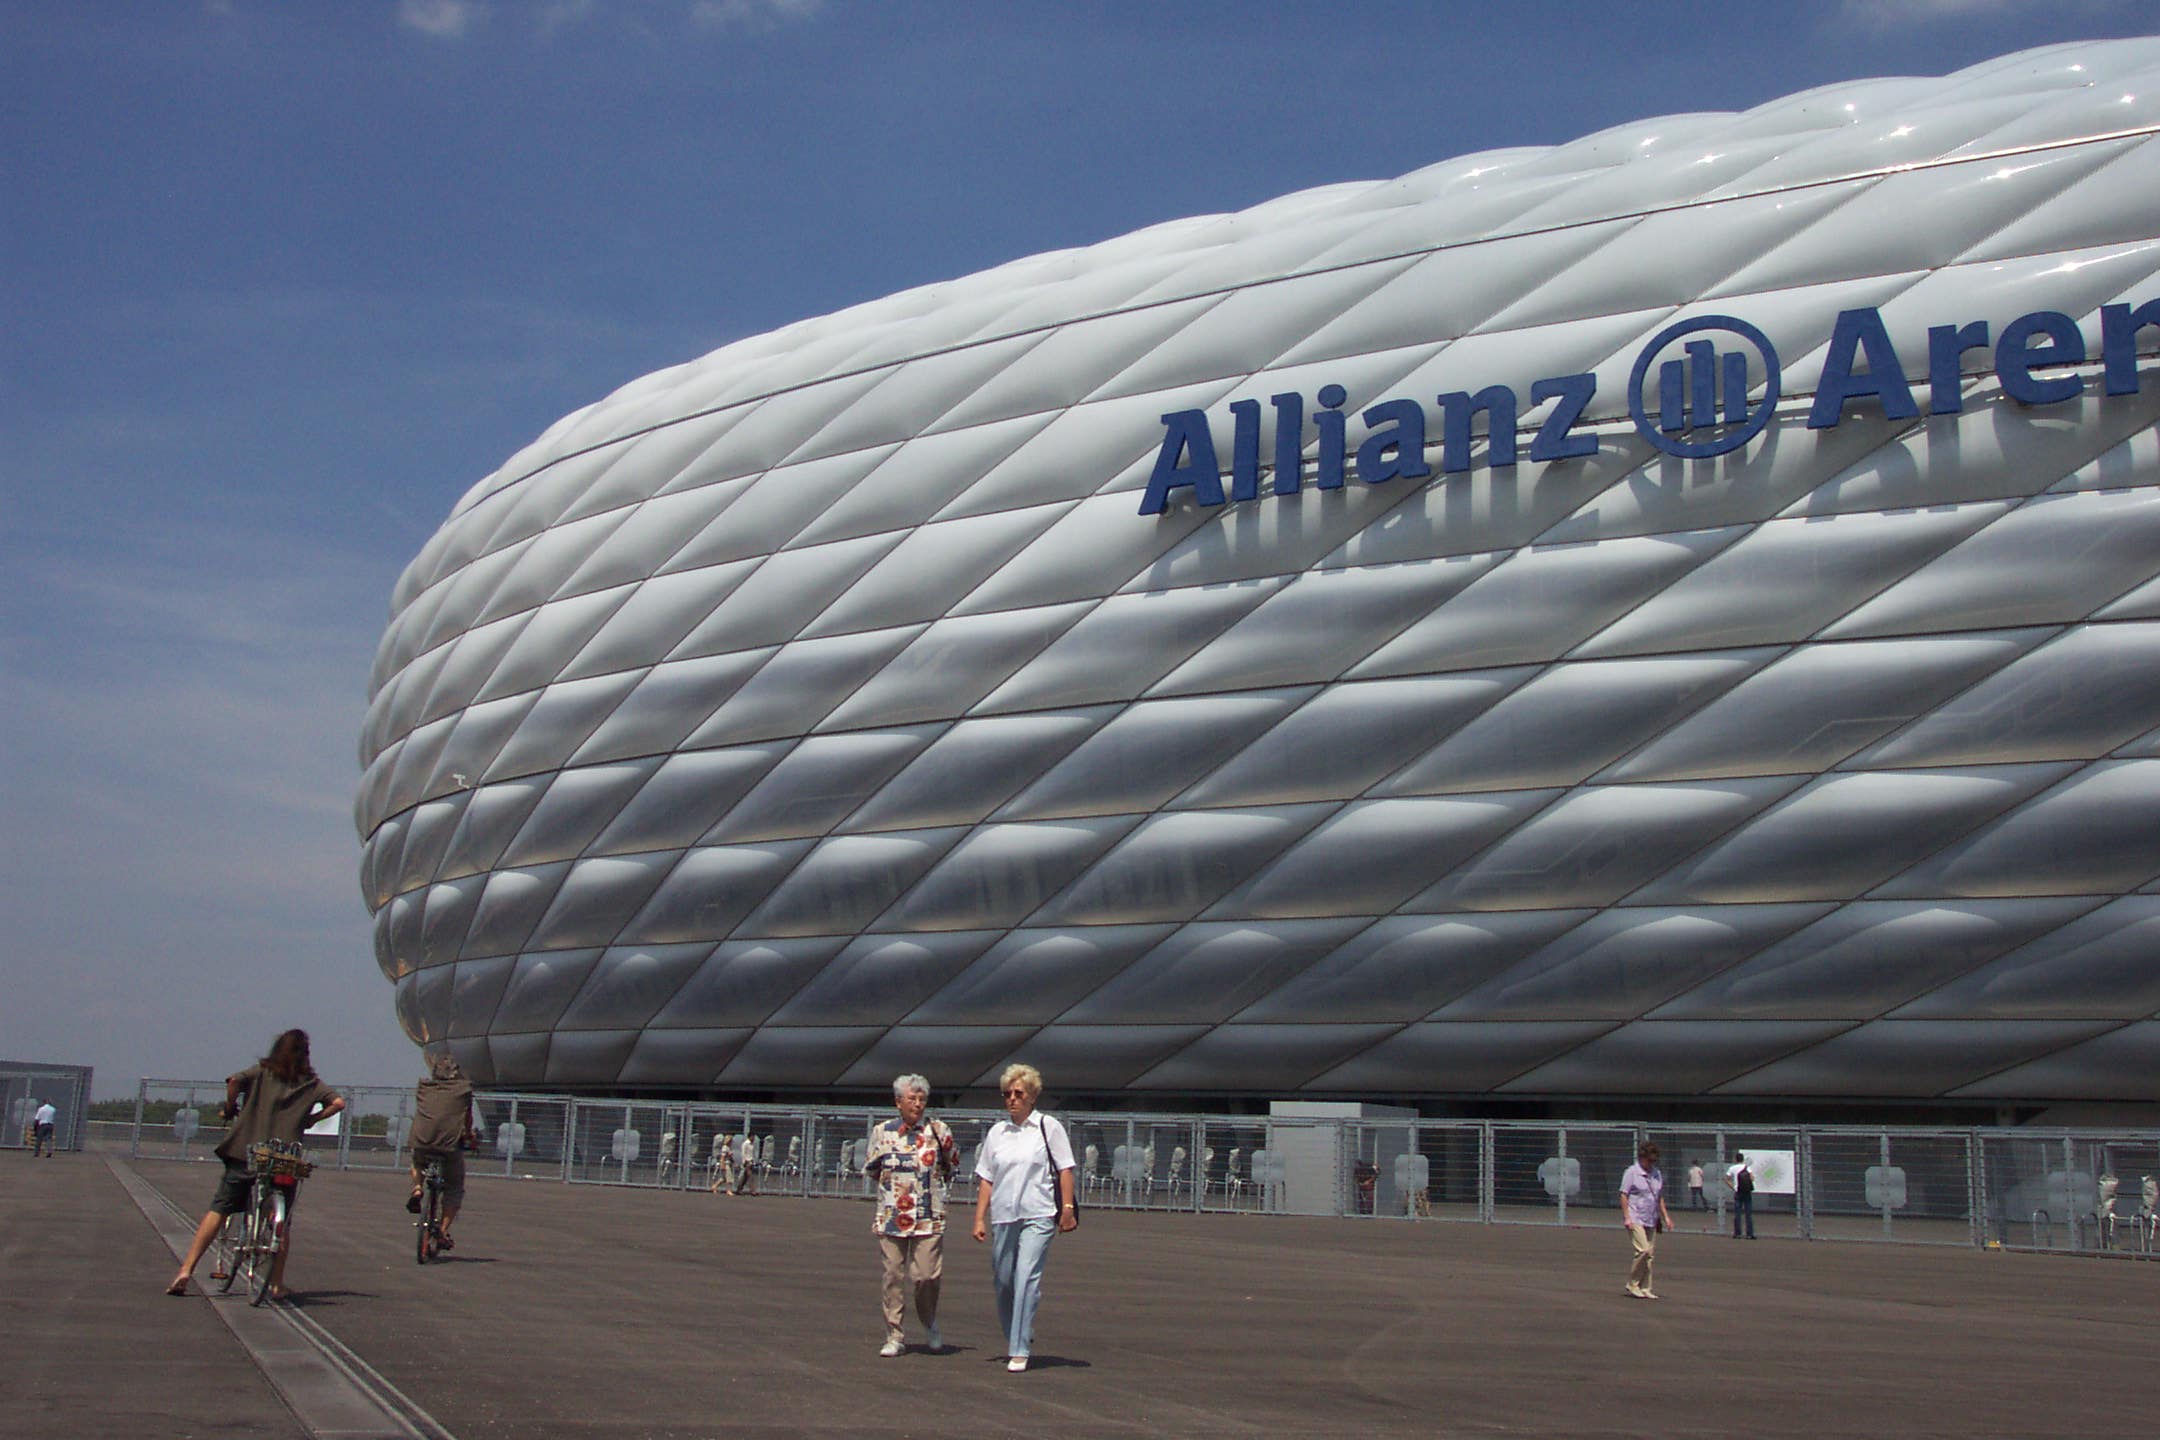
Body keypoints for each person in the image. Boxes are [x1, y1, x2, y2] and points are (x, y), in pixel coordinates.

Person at [165, 1029, 345, 1300]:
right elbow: (339, 1102)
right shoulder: (310, 1082)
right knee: (281, 1222)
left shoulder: (262, 1072)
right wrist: (312, 1119)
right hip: (284, 1157)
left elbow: (234, 1080)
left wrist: (230, 1106)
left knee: (220, 1208)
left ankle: (186, 1270)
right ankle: (275, 1284)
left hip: (246, 1152)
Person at [971, 1063, 1077, 1374]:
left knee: (1026, 1277)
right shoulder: (997, 1133)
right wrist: (979, 1218)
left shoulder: (1048, 1127)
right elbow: (987, 1177)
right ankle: (1017, 1331)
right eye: (1007, 1094)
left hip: (1038, 1213)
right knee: (1004, 1280)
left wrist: (1067, 1210)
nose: (1012, 1099)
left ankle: (1019, 1348)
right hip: (1004, 1215)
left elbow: (1065, 1169)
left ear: (1032, 1096)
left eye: (1019, 1093)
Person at [864, 1073, 960, 1357]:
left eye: (922, 1099)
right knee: (893, 1274)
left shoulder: (939, 1131)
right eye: (912, 1099)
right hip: (893, 1215)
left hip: (928, 1214)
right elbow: (873, 1168)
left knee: (926, 1276)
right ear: (898, 1102)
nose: (917, 1105)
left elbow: (950, 1165)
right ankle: (894, 1334)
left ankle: (929, 1320)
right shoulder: (883, 1132)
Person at [405, 1052, 477, 1251]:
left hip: (421, 1140)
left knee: (417, 1162)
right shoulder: (464, 1090)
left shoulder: (424, 1087)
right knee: (454, 1186)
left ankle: (417, 1187)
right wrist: (469, 1136)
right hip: (448, 1144)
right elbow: (467, 1118)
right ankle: (443, 1231)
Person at [1619, 1141, 1673, 1300]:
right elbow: (1623, 1194)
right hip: (1635, 1216)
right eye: (1649, 1160)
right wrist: (1627, 1217)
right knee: (1643, 1250)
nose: (1651, 1164)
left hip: (1651, 1217)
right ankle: (1632, 1283)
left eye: (1654, 1161)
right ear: (1642, 1158)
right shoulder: (1631, 1172)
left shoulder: (1656, 1173)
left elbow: (1659, 1197)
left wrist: (1665, 1217)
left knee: (1650, 1254)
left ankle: (1645, 1287)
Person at [1727, 1152, 1756, 1240]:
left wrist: (1733, 1187)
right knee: (1748, 1214)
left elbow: (1727, 1179)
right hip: (1747, 1191)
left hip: (1738, 1191)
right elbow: (1752, 1178)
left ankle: (1737, 1233)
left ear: (1735, 1159)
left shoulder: (1732, 1168)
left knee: (1737, 1213)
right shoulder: (1747, 1168)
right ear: (1743, 1159)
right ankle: (1749, 1234)